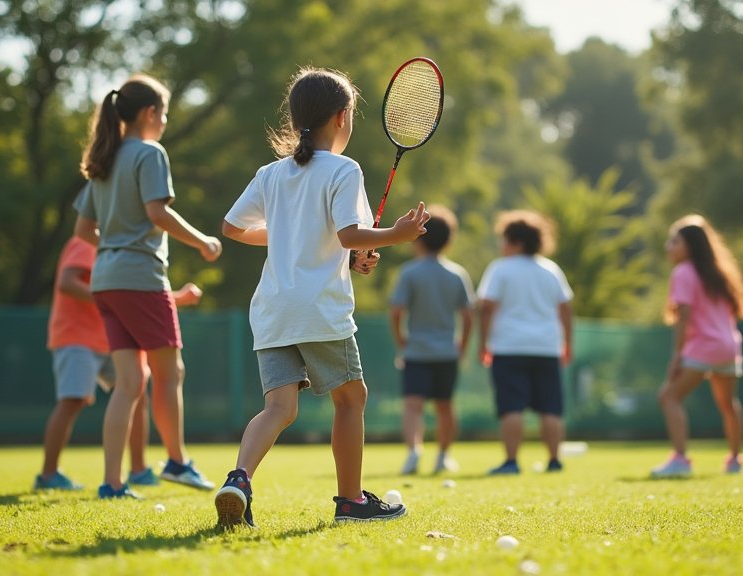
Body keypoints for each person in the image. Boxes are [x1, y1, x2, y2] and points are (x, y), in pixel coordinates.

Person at [215, 66, 428, 528]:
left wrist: (304, 238)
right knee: (352, 399)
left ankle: (239, 479)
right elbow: (351, 234)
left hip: (271, 310)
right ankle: (351, 501)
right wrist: (399, 232)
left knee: (278, 408)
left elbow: (232, 228)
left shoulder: (271, 173)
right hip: (318, 310)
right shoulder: (343, 168)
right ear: (342, 116)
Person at [73, 73, 223, 499]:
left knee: (130, 383)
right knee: (170, 371)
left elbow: (83, 230)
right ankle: (177, 461)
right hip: (140, 278)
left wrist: (116, 245)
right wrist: (204, 242)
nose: (165, 122)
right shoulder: (149, 153)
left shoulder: (105, 158)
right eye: (165, 113)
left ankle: (112, 483)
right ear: (149, 113)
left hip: (105, 281)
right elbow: (157, 213)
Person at [34, 235, 203, 491]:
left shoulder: (120, 244)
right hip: (75, 335)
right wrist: (108, 300)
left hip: (111, 337)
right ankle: (48, 475)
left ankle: (138, 470)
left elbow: (138, 297)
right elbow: (67, 283)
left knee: (138, 392)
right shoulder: (86, 241)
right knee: (73, 400)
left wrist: (177, 297)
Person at [651, 214, 743, 478]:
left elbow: (683, 318)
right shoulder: (720, 272)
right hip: (729, 346)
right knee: (729, 403)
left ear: (690, 246)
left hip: (704, 347)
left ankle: (680, 460)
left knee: (669, 397)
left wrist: (676, 356)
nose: (668, 247)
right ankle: (734, 461)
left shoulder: (684, 272)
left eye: (675, 242)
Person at [477, 210, 573, 475]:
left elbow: (486, 308)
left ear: (516, 241)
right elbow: (566, 309)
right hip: (546, 347)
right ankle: (554, 460)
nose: (501, 245)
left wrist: (482, 343)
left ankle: (511, 462)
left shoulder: (500, 269)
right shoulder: (551, 269)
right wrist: (568, 344)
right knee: (550, 407)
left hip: (509, 347)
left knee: (511, 406)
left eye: (504, 239)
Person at [388, 205, 474, 476]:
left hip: (416, 352)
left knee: (413, 406)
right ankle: (443, 456)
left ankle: (414, 451)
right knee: (445, 406)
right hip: (447, 352)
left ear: (419, 237)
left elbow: (396, 311)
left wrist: (401, 340)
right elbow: (469, 315)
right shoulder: (457, 274)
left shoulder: (409, 272)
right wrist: (462, 346)